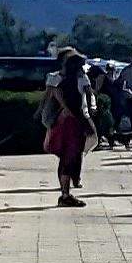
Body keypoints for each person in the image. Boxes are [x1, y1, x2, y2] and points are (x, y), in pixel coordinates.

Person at [44, 45, 92, 208]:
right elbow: (76, 104)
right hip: (72, 123)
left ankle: (66, 192)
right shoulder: (73, 81)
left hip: (65, 121)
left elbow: (55, 93)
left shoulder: (64, 81)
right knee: (69, 157)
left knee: (67, 157)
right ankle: (65, 194)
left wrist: (64, 108)